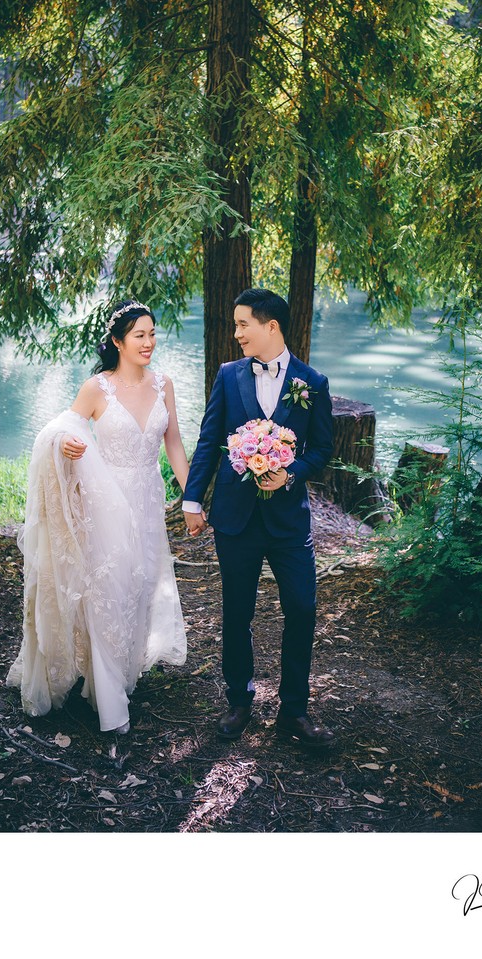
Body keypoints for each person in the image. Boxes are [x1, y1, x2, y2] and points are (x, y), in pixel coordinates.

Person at [7, 300, 188, 735]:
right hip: (106, 503)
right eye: (139, 335)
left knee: (139, 588)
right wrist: (65, 445)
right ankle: (109, 701)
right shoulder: (97, 388)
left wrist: (193, 498)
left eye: (152, 333)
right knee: (108, 592)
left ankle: (122, 675)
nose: (148, 342)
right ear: (118, 342)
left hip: (148, 503)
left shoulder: (163, 384)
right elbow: (60, 428)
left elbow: (174, 443)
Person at [183, 288, 335, 747]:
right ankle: (239, 701)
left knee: (302, 610)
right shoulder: (228, 376)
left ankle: (294, 712)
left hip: (289, 523)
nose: (236, 334)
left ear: (271, 326)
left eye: (242, 324)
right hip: (236, 519)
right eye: (235, 325)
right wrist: (192, 499)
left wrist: (291, 474)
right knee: (237, 612)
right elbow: (210, 440)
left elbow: (322, 449)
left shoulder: (312, 382)